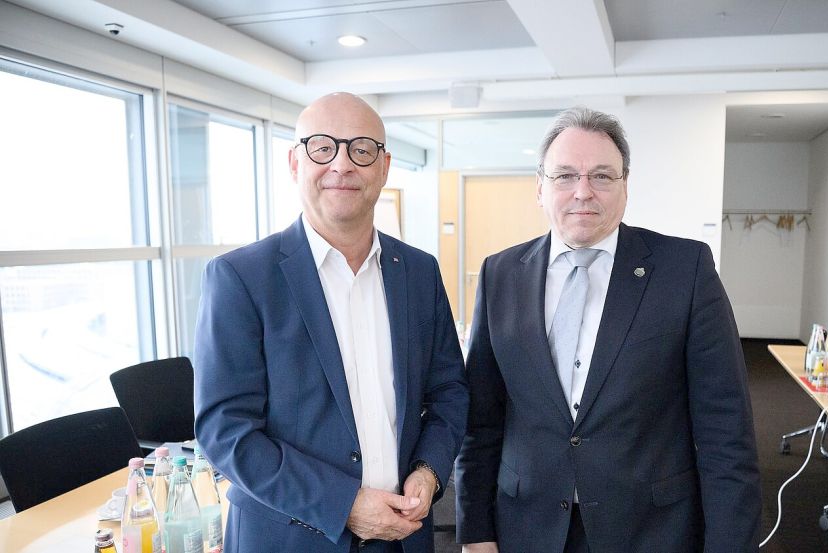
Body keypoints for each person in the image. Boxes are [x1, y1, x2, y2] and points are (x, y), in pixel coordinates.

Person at [455, 106, 761, 553]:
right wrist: (476, 532)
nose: (583, 192)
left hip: (650, 529)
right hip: (526, 525)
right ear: (539, 188)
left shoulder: (684, 270)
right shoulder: (499, 273)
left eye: (602, 175)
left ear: (624, 187)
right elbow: (480, 422)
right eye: (565, 176)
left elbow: (725, 431)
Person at [194, 92, 468, 553]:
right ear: (295, 163)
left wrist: (429, 469)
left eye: (361, 149)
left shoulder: (419, 272)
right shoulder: (240, 277)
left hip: (403, 537)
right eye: (323, 147)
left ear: (383, 167)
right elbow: (227, 431)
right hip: (289, 538)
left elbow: (450, 392)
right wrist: (344, 504)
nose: (342, 164)